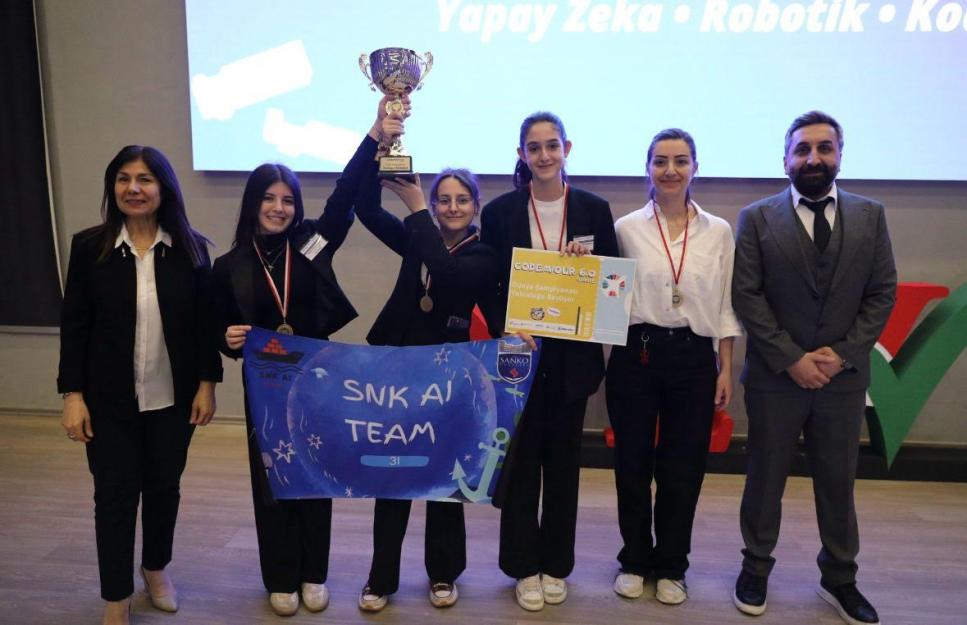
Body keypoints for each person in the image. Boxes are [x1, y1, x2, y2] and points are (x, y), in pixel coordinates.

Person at [210, 96, 401, 617]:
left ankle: (314, 573)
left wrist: (374, 135)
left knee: (316, 473)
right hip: (265, 390)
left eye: (288, 200)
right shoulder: (228, 266)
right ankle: (280, 577)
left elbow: (344, 194)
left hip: (317, 382)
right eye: (269, 199)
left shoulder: (312, 243)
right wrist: (226, 340)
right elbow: (217, 333)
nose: (279, 208)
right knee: (272, 480)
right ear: (253, 204)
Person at [731, 111, 896, 625]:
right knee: (764, 478)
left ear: (840, 155)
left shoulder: (871, 216)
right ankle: (755, 567)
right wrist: (792, 359)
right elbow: (747, 295)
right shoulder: (756, 218)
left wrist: (842, 354)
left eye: (825, 148)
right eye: (802, 149)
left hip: (842, 380)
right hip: (775, 378)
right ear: (785, 159)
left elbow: (882, 293)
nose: (813, 158)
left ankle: (840, 578)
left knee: (838, 480)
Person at [58, 145, 222, 625]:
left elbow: (204, 326)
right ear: (113, 187)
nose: (134, 188)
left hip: (173, 399)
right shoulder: (89, 248)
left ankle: (156, 568)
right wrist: (73, 396)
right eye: (124, 178)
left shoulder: (192, 249)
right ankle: (116, 595)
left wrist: (207, 383)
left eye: (145, 179)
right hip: (107, 404)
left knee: (163, 488)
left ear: (164, 188)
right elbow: (74, 327)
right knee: (113, 494)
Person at [480, 111, 618, 611]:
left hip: (573, 362)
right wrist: (504, 324)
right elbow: (488, 284)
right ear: (522, 154)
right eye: (534, 147)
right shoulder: (499, 213)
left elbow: (612, 285)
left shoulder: (594, 209)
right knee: (521, 468)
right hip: (520, 356)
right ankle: (522, 567)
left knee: (562, 467)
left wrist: (592, 273)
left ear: (567, 149)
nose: (544, 155)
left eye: (552, 146)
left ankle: (556, 564)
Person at [352, 154, 499, 611]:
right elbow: (366, 209)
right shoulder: (417, 234)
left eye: (462, 200)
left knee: (445, 478)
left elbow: (449, 278)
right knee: (393, 474)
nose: (452, 207)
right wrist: (377, 154)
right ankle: (380, 578)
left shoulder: (483, 254)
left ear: (476, 206)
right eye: (443, 200)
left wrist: (416, 208)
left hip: (451, 379)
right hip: (400, 374)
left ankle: (443, 573)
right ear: (434, 205)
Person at [607, 129, 743, 605]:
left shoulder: (719, 231)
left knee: (683, 468)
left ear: (695, 168)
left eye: (680, 161)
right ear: (647, 168)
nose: (670, 170)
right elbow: (606, 293)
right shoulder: (626, 229)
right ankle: (634, 560)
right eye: (661, 161)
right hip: (636, 354)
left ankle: (671, 565)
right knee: (632, 463)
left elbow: (725, 305)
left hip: (693, 358)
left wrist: (725, 368)